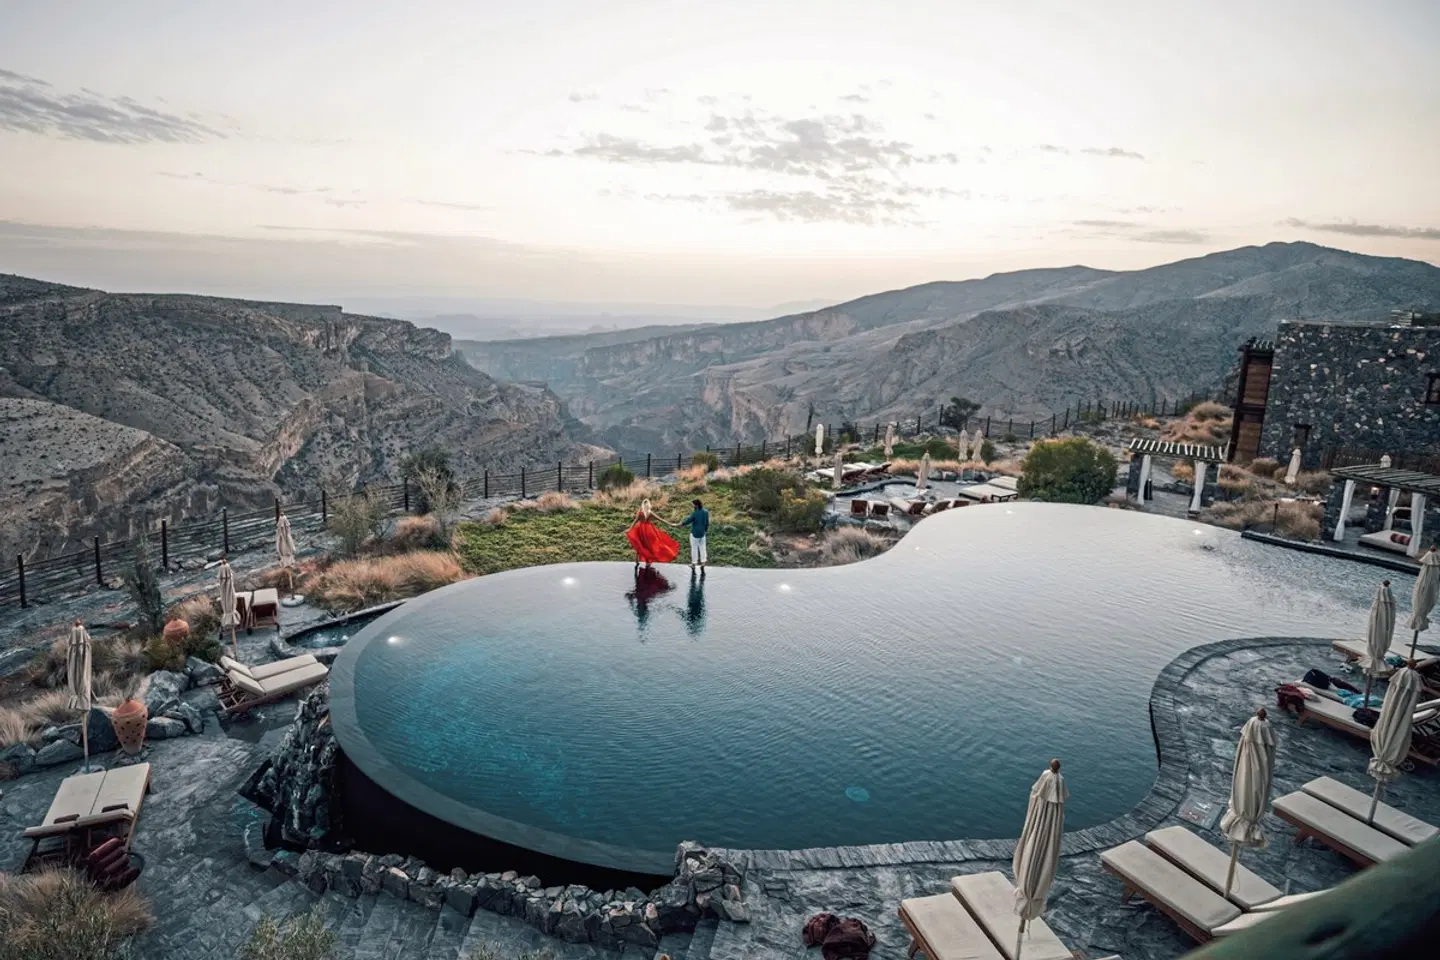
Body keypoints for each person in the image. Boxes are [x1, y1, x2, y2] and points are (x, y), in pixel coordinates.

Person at [625, 499, 679, 568]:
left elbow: (634, 522)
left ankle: (637, 561)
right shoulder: (650, 513)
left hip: (641, 530)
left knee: (640, 544)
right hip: (649, 531)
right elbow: (661, 519)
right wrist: (671, 524)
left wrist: (629, 529)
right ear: (648, 505)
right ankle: (648, 562)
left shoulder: (640, 513)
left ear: (642, 505)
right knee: (649, 546)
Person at [679, 498, 710, 570]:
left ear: (696, 505)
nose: (692, 506)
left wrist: (681, 524)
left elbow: (688, 520)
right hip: (702, 533)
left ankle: (694, 563)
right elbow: (707, 523)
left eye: (693, 504)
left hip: (695, 534)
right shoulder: (706, 512)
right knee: (703, 548)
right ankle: (703, 562)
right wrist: (705, 530)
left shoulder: (695, 513)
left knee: (694, 549)